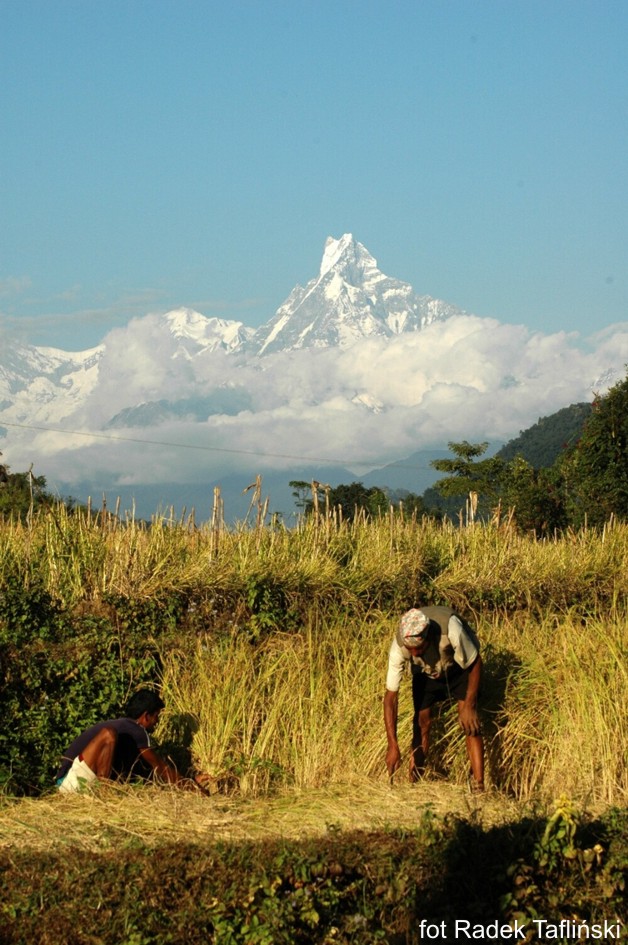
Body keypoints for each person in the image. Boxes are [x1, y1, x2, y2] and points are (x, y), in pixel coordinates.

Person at [383, 606, 484, 793]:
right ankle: (415, 783)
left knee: (469, 722)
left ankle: (479, 787)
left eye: (419, 648)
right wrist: (392, 744)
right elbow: (390, 697)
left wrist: (469, 705)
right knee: (421, 722)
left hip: (459, 670)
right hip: (426, 674)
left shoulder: (451, 628)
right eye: (410, 649)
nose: (414, 654)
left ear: (428, 637)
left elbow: (476, 662)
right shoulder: (399, 646)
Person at [55, 688, 207, 794]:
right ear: (146, 716)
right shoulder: (136, 730)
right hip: (70, 781)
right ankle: (105, 791)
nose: (157, 722)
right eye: (156, 717)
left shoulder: (126, 730)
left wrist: (190, 781)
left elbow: (150, 773)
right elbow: (160, 767)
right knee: (108, 734)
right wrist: (195, 789)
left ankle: (104, 788)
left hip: (72, 782)